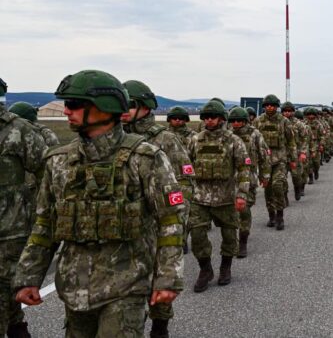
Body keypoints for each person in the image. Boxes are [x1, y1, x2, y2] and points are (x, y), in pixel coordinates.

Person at [13, 70, 186, 337]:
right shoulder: (58, 161)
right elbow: (45, 224)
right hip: (74, 287)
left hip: (128, 283)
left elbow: (171, 220)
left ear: (103, 108)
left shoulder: (145, 158)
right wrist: (28, 276)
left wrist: (167, 277)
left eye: (73, 104)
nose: (66, 111)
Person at [122, 80, 196, 338]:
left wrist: (176, 217)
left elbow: (185, 179)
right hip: (122, 229)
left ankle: (160, 326)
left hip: (155, 225)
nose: (123, 109)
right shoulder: (113, 137)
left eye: (130, 104)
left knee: (158, 280)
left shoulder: (165, 138)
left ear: (144, 107)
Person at [0, 79, 47, 338]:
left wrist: (42, 219)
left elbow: (48, 177)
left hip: (9, 233)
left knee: (6, 292)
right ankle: (18, 329)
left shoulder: (19, 131)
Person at [188, 100, 250, 292]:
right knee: (197, 235)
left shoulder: (233, 141)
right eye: (206, 117)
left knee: (230, 235)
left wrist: (242, 194)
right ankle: (205, 269)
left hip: (226, 197)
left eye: (213, 117)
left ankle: (226, 267)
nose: (209, 120)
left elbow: (243, 168)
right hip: (200, 198)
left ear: (221, 119)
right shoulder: (195, 140)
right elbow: (186, 167)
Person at [227, 107, 269, 258]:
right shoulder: (226, 134)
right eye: (233, 121)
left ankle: (243, 241)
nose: (236, 123)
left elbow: (264, 156)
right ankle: (232, 241)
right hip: (228, 180)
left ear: (245, 120)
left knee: (243, 210)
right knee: (231, 214)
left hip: (248, 178)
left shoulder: (255, 134)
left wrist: (265, 175)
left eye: (239, 120)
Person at [254, 95, 296, 231]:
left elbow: (291, 141)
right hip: (264, 161)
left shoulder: (284, 121)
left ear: (277, 107)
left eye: (272, 105)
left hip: (280, 160)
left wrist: (293, 159)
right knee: (268, 189)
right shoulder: (258, 121)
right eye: (267, 105)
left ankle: (280, 215)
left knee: (278, 185)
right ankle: (271, 215)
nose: (270, 108)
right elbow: (252, 140)